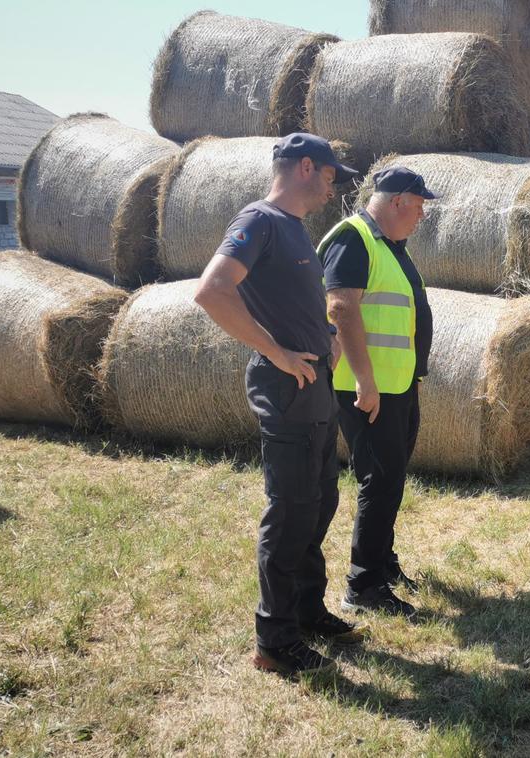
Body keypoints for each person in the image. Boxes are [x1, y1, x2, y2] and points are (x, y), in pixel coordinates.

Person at [194, 133, 366, 678]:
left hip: (314, 385)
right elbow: (212, 291)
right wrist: (276, 351)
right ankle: (274, 641)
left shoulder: (296, 230)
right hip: (285, 388)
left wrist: (326, 339)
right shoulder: (259, 221)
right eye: (331, 175)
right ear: (306, 167)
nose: (333, 187)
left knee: (319, 503)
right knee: (289, 512)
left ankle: (307, 611)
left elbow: (296, 302)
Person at [318, 166, 437, 617]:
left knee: (391, 479)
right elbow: (341, 307)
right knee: (379, 480)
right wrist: (366, 381)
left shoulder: (391, 246)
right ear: (398, 201)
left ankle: (382, 565)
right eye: (420, 205)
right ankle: (363, 586)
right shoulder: (355, 238)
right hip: (365, 388)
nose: (422, 214)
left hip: (397, 385)